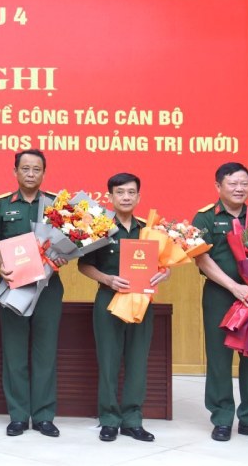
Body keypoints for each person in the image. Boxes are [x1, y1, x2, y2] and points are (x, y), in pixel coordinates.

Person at [190, 162, 248, 442]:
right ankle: (222, 418)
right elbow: (201, 258)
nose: (240, 189)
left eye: (244, 183)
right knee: (219, 357)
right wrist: (233, 286)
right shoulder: (204, 217)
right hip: (220, 294)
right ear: (218, 187)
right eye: (233, 184)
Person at [78, 172, 168, 442]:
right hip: (109, 300)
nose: (126, 197)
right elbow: (83, 265)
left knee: (137, 361)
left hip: (142, 301)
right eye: (120, 192)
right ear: (110, 197)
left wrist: (165, 273)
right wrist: (106, 278)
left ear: (139, 197)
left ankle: (132, 419)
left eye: (131, 192)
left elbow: (164, 265)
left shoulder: (149, 231)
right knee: (108, 361)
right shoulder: (100, 228)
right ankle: (108, 419)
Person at [0, 149, 63, 438]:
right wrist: (1, 266)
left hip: (48, 288)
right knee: (15, 352)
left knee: (45, 352)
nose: (31, 174)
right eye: (25, 169)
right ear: (15, 172)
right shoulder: (2, 205)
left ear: (44, 173)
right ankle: (18, 415)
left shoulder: (56, 206)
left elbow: (69, 243)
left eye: (37, 170)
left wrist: (63, 256)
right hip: (13, 286)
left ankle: (44, 416)